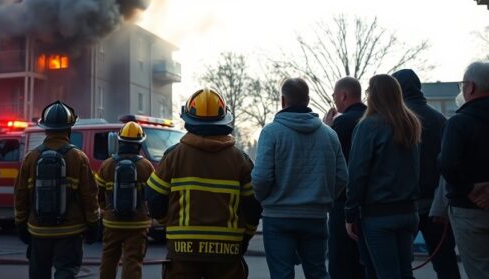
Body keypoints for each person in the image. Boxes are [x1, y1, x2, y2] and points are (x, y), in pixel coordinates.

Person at [145, 88, 261, 279]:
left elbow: (153, 197)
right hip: (227, 252)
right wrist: (244, 238)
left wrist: (169, 225)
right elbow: (253, 207)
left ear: (188, 119)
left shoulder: (173, 156)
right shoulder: (241, 160)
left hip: (182, 250)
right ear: (225, 120)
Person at [253, 77, 347, 279]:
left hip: (278, 217)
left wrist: (264, 200)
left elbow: (261, 178)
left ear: (283, 101)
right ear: (308, 100)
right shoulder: (329, 135)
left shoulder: (271, 133)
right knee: (318, 273)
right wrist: (324, 198)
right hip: (315, 217)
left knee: (282, 274)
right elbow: (342, 176)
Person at [345, 74, 421, 279]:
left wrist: (350, 213)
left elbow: (357, 173)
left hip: (379, 214)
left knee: (387, 274)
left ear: (373, 95)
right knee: (405, 272)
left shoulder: (368, 126)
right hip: (408, 211)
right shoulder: (410, 123)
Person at [13, 101, 99, 279]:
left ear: (45, 129)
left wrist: (21, 224)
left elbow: (20, 195)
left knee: (38, 274)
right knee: (66, 271)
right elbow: (89, 196)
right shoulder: (79, 157)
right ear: (69, 129)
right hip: (70, 231)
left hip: (38, 231)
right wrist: (93, 225)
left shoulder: (30, 157)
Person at [393, 69, 461, 279]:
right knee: (446, 264)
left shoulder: (394, 121)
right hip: (436, 204)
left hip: (403, 204)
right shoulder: (440, 119)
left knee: (400, 266)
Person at [439, 61, 489, 278]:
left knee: (479, 270)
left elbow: (447, 164)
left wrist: (469, 189)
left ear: (470, 87)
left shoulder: (458, 123)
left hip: (468, 210)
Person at [322, 76, 371, 279]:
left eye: (334, 95)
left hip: (343, 202)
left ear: (342, 95)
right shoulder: (373, 120)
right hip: (372, 204)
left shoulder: (341, 124)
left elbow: (327, 160)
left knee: (341, 263)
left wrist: (326, 128)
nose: (334, 100)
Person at [95, 121, 155, 279]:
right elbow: (152, 195)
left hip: (112, 223)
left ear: (120, 141)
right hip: (138, 224)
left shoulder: (107, 165)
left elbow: (98, 194)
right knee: (132, 261)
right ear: (139, 144)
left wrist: (106, 210)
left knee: (109, 259)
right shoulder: (146, 166)